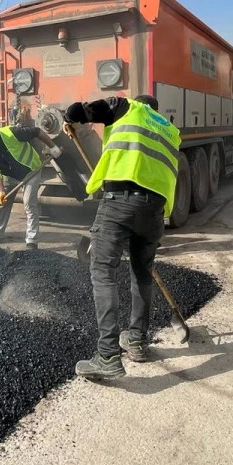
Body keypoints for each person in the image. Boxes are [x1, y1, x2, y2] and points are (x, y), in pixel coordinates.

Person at [64, 95, 181, 380]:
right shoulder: (170, 130)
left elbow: (80, 111)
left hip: (120, 203)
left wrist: (70, 120)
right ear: (157, 110)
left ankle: (107, 356)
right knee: (142, 274)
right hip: (155, 212)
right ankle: (137, 341)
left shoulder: (128, 107)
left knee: (103, 272)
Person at [0, 124, 62, 249]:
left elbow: (37, 131)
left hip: (31, 170)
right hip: (9, 176)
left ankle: (31, 241)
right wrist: (0, 191)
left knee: (29, 204)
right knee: (1, 202)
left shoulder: (12, 133)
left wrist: (53, 147)